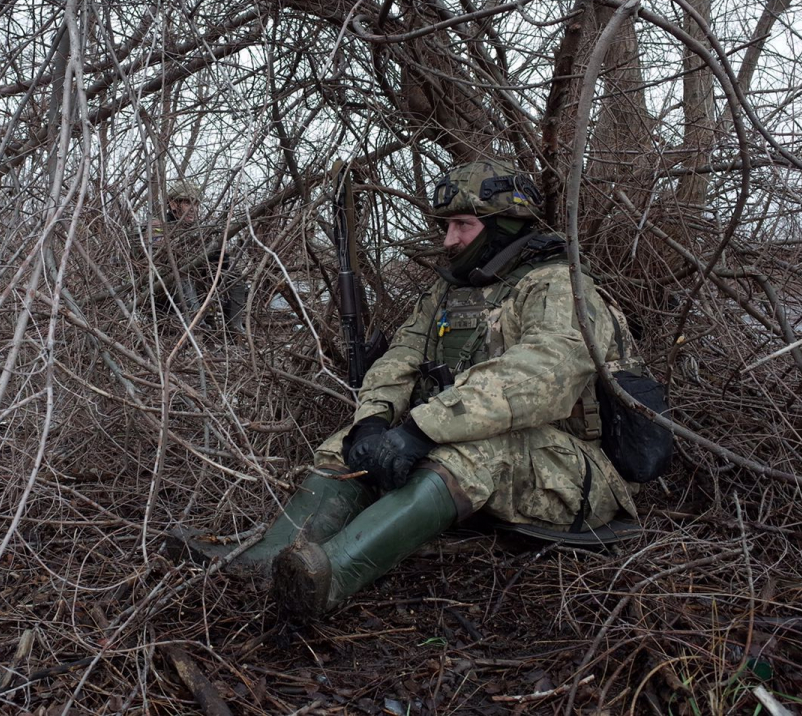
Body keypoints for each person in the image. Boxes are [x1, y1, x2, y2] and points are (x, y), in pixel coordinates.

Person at [176, 160, 639, 618]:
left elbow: (540, 376)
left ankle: (329, 578)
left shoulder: (560, 288)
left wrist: (421, 429)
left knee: (464, 454)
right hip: (497, 460)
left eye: (463, 224)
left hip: (573, 474)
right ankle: (269, 557)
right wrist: (373, 420)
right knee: (349, 449)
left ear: (506, 226)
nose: (449, 239)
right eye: (447, 225)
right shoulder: (450, 293)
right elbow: (402, 355)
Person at [148, 181, 247, 330]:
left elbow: (215, 259)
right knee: (183, 277)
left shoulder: (200, 230)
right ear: (173, 204)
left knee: (234, 276)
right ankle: (197, 329)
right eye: (188, 203)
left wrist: (220, 259)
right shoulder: (158, 226)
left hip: (195, 286)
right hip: (161, 291)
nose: (194, 209)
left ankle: (235, 330)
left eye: (196, 204)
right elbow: (158, 261)